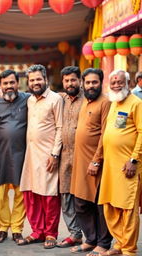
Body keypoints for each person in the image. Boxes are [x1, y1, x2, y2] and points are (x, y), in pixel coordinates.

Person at [19, 64, 63, 249]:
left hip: (48, 156)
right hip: (30, 156)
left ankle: (51, 233)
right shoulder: (29, 100)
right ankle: (37, 231)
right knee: (31, 194)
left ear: (46, 79)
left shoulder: (56, 99)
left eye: (38, 79)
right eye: (32, 80)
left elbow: (60, 127)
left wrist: (55, 154)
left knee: (49, 196)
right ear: (28, 83)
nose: (35, 83)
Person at [98, 70, 142, 256]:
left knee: (127, 208)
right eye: (113, 81)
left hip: (128, 166)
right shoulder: (114, 103)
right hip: (110, 167)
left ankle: (129, 249)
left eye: (120, 82)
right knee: (110, 206)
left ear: (128, 82)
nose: (116, 85)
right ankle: (119, 244)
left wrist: (134, 159)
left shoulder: (137, 104)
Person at [70, 68, 112, 255]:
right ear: (82, 84)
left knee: (99, 205)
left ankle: (103, 244)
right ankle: (90, 240)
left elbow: (106, 134)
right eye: (87, 82)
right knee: (81, 203)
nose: (91, 86)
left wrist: (96, 161)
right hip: (80, 164)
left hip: (96, 164)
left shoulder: (105, 103)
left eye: (94, 82)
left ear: (100, 83)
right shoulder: (85, 102)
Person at [0, 70, 30, 244]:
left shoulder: (28, 99)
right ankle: (2, 227)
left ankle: (17, 229)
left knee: (21, 194)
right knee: (0, 195)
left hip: (23, 155)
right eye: (5, 83)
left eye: (11, 83)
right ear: (0, 86)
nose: (8, 86)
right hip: (1, 155)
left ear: (18, 83)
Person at [57, 66, 83, 248]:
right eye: (66, 80)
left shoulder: (88, 99)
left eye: (73, 80)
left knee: (83, 199)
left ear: (79, 81)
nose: (70, 83)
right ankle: (74, 234)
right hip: (64, 157)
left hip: (83, 157)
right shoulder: (61, 100)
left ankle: (89, 235)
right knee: (65, 197)